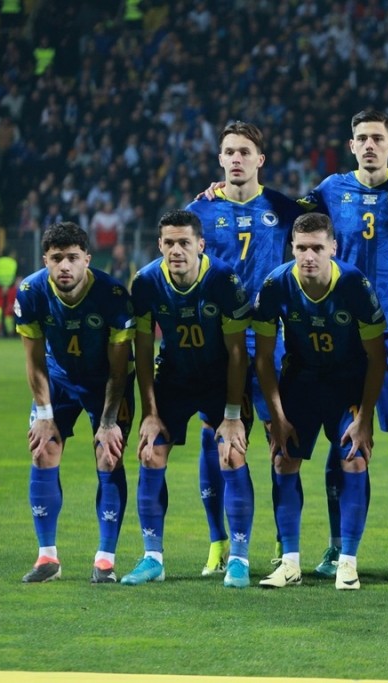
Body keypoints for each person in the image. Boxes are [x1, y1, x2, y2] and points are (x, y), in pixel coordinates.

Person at [296, 110, 388, 578]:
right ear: (352, 145)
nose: (370, 145)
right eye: (362, 138)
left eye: (378, 138)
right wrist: (220, 192)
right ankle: (337, 546)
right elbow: (281, 213)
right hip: (344, 337)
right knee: (343, 439)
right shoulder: (330, 189)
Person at [187, 120, 303, 577]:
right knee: (216, 439)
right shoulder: (199, 211)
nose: (237, 159)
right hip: (219, 344)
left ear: (261, 159)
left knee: (283, 440)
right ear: (220, 159)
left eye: (245, 152)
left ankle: (284, 542)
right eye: (230, 152)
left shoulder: (283, 208)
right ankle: (218, 542)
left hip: (271, 341)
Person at [253, 213, 387, 590]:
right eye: (301, 248)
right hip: (302, 381)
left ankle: (348, 563)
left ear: (333, 248)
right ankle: (290, 563)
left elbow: (377, 357)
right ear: (292, 248)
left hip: (348, 383)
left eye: (316, 248)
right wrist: (277, 417)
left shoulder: (355, 284)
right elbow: (263, 358)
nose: (308, 256)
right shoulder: (276, 284)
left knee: (354, 458)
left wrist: (365, 418)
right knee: (283, 459)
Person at [121, 209, 254, 589]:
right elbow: (142, 350)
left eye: (184, 242)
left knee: (231, 453)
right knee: (151, 451)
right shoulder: (146, 282)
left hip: (220, 379)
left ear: (200, 245)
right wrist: (150, 413)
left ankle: (239, 560)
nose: (176, 250)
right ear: (159, 245)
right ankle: (152, 558)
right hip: (174, 378)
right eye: (169, 243)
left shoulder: (223, 280)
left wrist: (232, 415)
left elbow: (237, 353)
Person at [14, 221, 135, 584]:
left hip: (106, 384)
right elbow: (34, 362)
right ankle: (47, 558)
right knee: (43, 450)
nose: (64, 266)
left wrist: (109, 423)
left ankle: (105, 560)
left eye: (72, 257)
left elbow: (119, 370)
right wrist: (44, 413)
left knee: (108, 454)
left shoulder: (112, 295)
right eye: (56, 258)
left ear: (87, 259)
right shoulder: (31, 292)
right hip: (58, 379)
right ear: (45, 261)